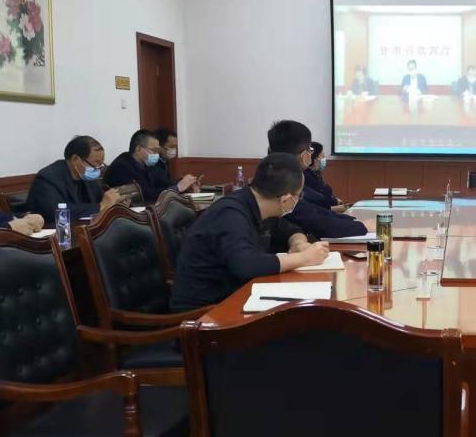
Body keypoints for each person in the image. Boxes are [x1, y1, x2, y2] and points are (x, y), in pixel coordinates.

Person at [170, 153, 330, 310]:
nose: (298, 200)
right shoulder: (230, 214)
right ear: (286, 199)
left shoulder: (259, 204)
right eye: (298, 196)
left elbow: (290, 229)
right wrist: (303, 258)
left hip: (236, 296)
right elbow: (246, 265)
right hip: (205, 311)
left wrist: (299, 243)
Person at [266, 120, 368, 239]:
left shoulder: (275, 176)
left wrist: (297, 241)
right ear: (304, 155)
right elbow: (316, 221)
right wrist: (362, 226)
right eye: (310, 150)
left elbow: (312, 211)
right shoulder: (285, 184)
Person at [27, 135, 126, 222]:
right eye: (96, 163)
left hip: (85, 229)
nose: (98, 168)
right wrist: (101, 206)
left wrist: (115, 203)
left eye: (101, 163)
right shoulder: (47, 178)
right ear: (75, 159)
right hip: (55, 233)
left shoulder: (88, 179)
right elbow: (56, 212)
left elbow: (101, 200)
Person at [105, 129, 197, 203]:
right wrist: (177, 188)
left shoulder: (146, 164)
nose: (157, 154)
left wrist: (184, 185)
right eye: (154, 150)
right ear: (138, 149)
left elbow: (161, 183)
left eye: (158, 151)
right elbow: (142, 195)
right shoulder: (121, 167)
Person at [149, 127, 200, 196]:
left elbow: (168, 183)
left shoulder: (164, 161)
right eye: (171, 146)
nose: (174, 150)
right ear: (159, 147)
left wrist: (186, 183)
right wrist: (179, 186)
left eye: (176, 147)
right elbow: (161, 186)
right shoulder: (152, 163)